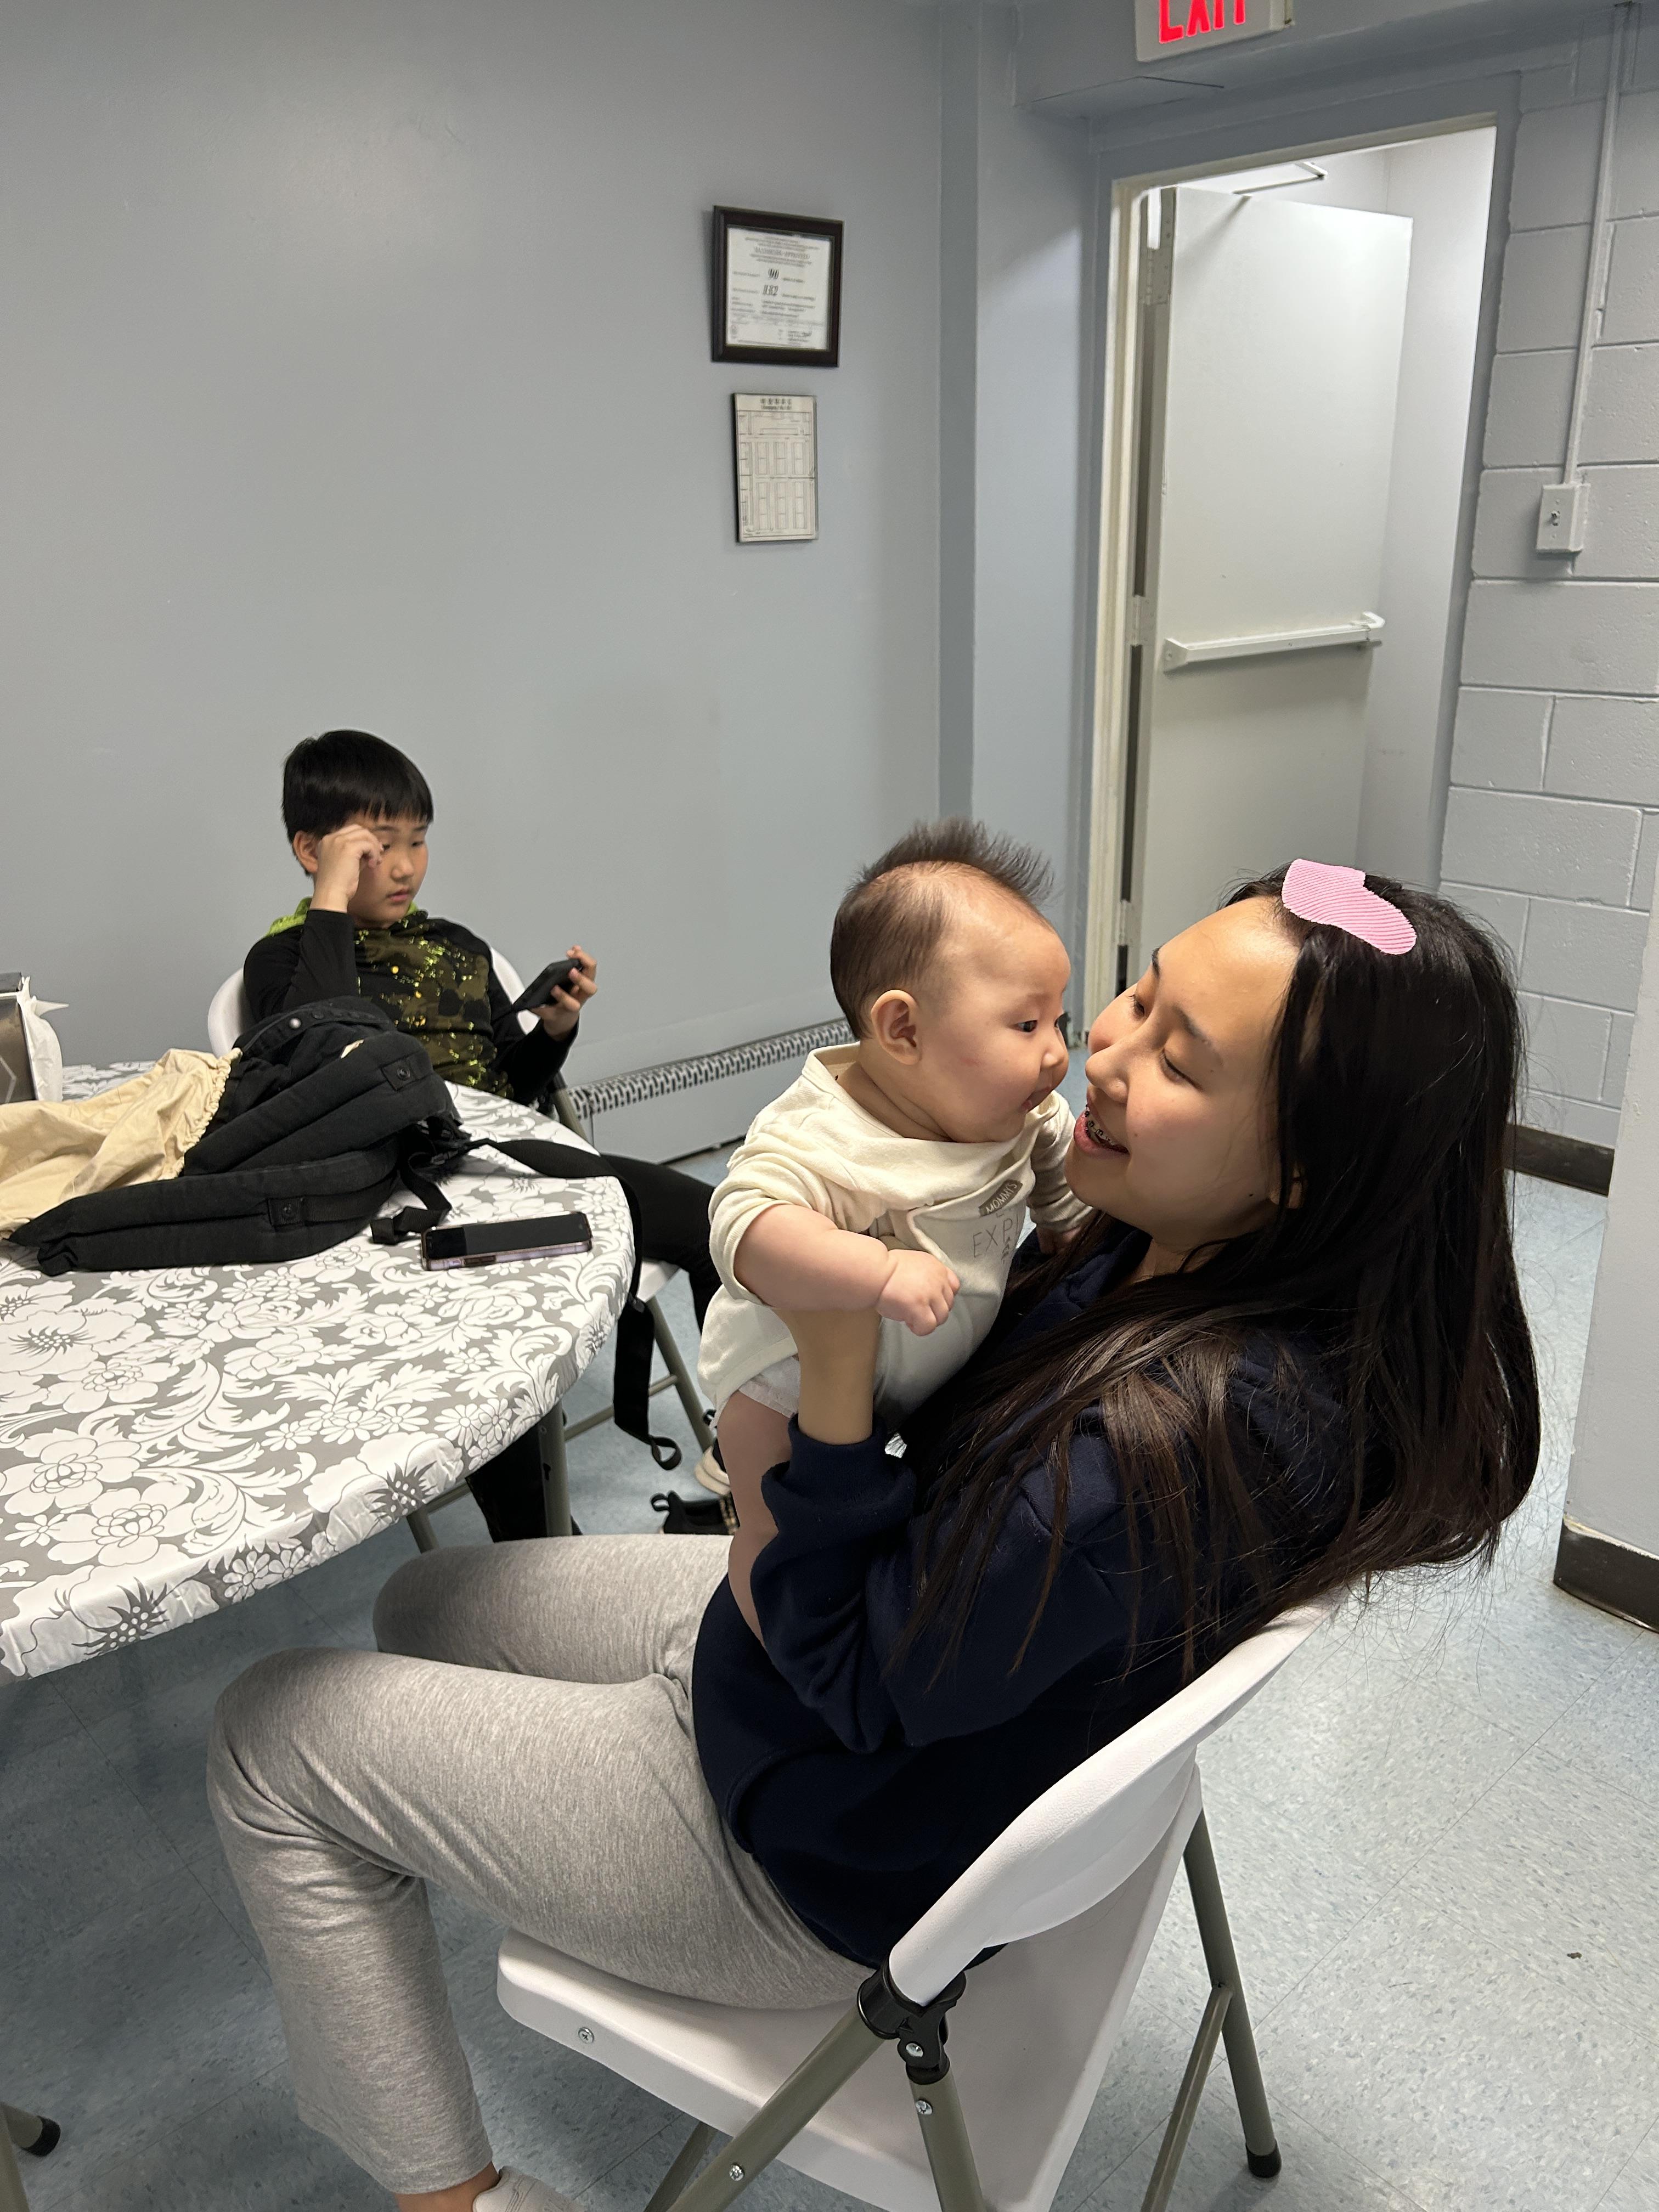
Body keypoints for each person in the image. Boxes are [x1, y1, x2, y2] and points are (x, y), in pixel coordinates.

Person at [207, 863, 1538, 2212]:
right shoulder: (1162, 1253)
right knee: (428, 1602)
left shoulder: (1162, 1453)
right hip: (814, 1641)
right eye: (1138, 996)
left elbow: (851, 1667)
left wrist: (826, 1378)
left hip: (810, 1840)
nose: (1099, 1049)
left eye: (1178, 1059)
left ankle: (453, 2201)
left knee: (271, 1732)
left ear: (1308, 1169)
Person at [243, 730, 720, 1538]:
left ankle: (749, 1457)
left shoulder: (458, 948)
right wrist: (329, 905)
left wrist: (555, 1032)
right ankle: (544, 1558)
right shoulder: (281, 962)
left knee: (723, 1223)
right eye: (377, 846)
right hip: (396, 1201)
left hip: (507, 1163)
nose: (405, 867)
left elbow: (513, 1089)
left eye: (418, 841)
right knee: (501, 1362)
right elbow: (306, 1060)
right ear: (312, 850)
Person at [699, 819, 1091, 1637]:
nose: (1058, 1054)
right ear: (904, 1030)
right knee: (774, 1537)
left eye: (1060, 1021)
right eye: (1027, 1026)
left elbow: (1053, 1150)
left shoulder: (1012, 1110)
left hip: (920, 1368)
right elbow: (744, 1225)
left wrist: (1065, 1227)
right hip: (784, 1384)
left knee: (884, 1522)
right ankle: (771, 1637)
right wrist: (874, 1272)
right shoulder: (825, 1137)